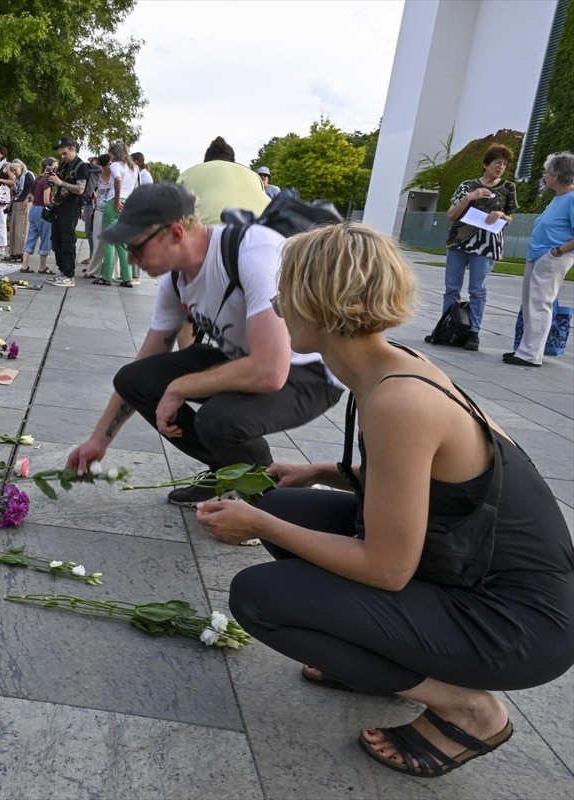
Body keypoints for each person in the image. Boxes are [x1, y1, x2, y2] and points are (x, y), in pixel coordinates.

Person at [198, 222, 573, 779]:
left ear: (319, 302)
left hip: (516, 625)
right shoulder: (392, 366)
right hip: (469, 569)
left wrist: (258, 525)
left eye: (285, 291)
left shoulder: (400, 401)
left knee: (259, 597)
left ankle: (466, 708)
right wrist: (320, 472)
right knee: (285, 507)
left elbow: (386, 569)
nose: (276, 305)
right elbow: (440, 486)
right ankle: (379, 661)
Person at [66, 182, 343, 504]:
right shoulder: (176, 278)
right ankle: (226, 470)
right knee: (134, 379)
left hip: (310, 372)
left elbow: (270, 370)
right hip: (245, 359)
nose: (132, 259)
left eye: (136, 248)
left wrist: (179, 387)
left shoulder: (252, 251)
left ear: (175, 233)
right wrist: (98, 440)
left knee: (218, 420)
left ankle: (271, 499)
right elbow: (143, 366)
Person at [435, 144, 516, 352]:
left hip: (487, 244)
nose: (501, 167)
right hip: (459, 241)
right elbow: (451, 215)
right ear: (485, 164)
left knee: (478, 290)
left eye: (504, 164)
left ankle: (473, 333)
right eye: (497, 163)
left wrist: (502, 215)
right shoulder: (467, 185)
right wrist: (470, 197)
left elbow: (510, 218)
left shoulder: (508, 188)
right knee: (452, 288)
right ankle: (447, 328)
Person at [503, 152, 574, 367]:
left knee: (540, 305)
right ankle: (525, 349)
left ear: (556, 175)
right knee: (530, 304)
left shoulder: (572, 198)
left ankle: (531, 355)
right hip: (539, 256)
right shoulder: (559, 197)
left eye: (546, 171)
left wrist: (557, 251)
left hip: (552, 258)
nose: (544, 175)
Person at [177, 136, 269, 224]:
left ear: (206, 162)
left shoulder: (186, 175)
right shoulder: (254, 176)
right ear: (232, 162)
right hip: (269, 227)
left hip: (212, 228)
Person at [45, 136, 90, 288]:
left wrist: (61, 182)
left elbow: (80, 189)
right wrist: (49, 176)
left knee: (68, 241)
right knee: (56, 241)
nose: (62, 157)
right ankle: (62, 271)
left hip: (70, 209)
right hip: (58, 207)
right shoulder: (65, 165)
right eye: (61, 154)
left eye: (64, 153)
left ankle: (69, 275)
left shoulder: (81, 166)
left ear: (73, 149)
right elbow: (55, 181)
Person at [96, 142, 140, 287]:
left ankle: (106, 277)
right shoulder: (134, 168)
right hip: (128, 203)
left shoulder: (115, 165)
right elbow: (136, 188)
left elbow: (117, 180)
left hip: (114, 202)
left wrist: (116, 200)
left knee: (109, 242)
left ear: (114, 153)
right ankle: (127, 278)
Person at [20, 157, 55, 274]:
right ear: (48, 167)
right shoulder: (46, 182)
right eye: (55, 167)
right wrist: (53, 205)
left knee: (31, 238)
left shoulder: (38, 179)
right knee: (45, 238)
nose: (57, 170)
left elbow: (32, 194)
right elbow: (46, 201)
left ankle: (24, 265)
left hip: (34, 209)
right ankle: (42, 266)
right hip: (43, 212)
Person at [82, 154, 111, 276]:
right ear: (103, 166)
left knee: (110, 243)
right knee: (97, 241)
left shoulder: (116, 176)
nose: (112, 166)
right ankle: (95, 269)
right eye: (109, 164)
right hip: (98, 210)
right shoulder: (98, 176)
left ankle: (109, 270)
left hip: (111, 212)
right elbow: (88, 190)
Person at [7, 158, 33, 262]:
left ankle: (20, 253)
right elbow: (16, 191)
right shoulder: (18, 179)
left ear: (21, 167)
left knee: (21, 230)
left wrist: (28, 199)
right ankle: (13, 252)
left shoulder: (28, 175)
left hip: (23, 204)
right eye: (12, 171)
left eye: (15, 170)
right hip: (17, 202)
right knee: (13, 230)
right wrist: (11, 201)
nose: (14, 172)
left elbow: (33, 188)